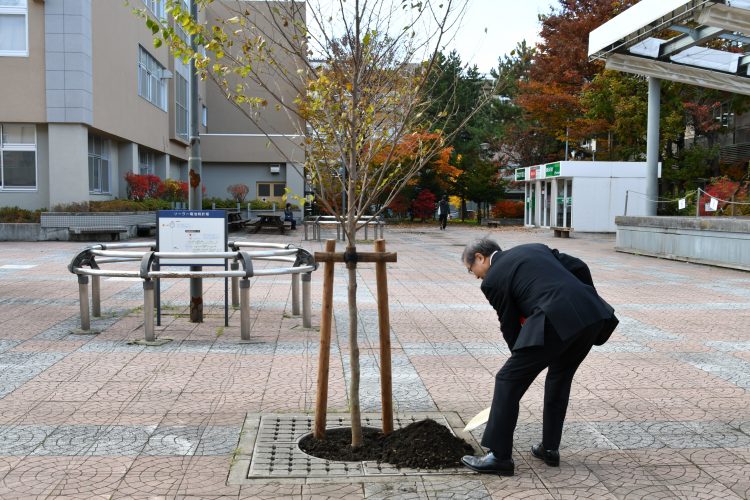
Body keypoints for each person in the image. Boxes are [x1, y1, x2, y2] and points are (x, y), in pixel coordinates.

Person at [460, 238, 618, 477]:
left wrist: (520, 362)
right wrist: (585, 296)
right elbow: (579, 266)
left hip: (555, 319)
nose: (475, 276)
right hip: (592, 316)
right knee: (559, 378)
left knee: (507, 379)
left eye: (472, 270)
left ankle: (499, 457)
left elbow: (509, 323)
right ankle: (549, 449)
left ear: (480, 257)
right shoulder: (534, 248)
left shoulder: (493, 280)